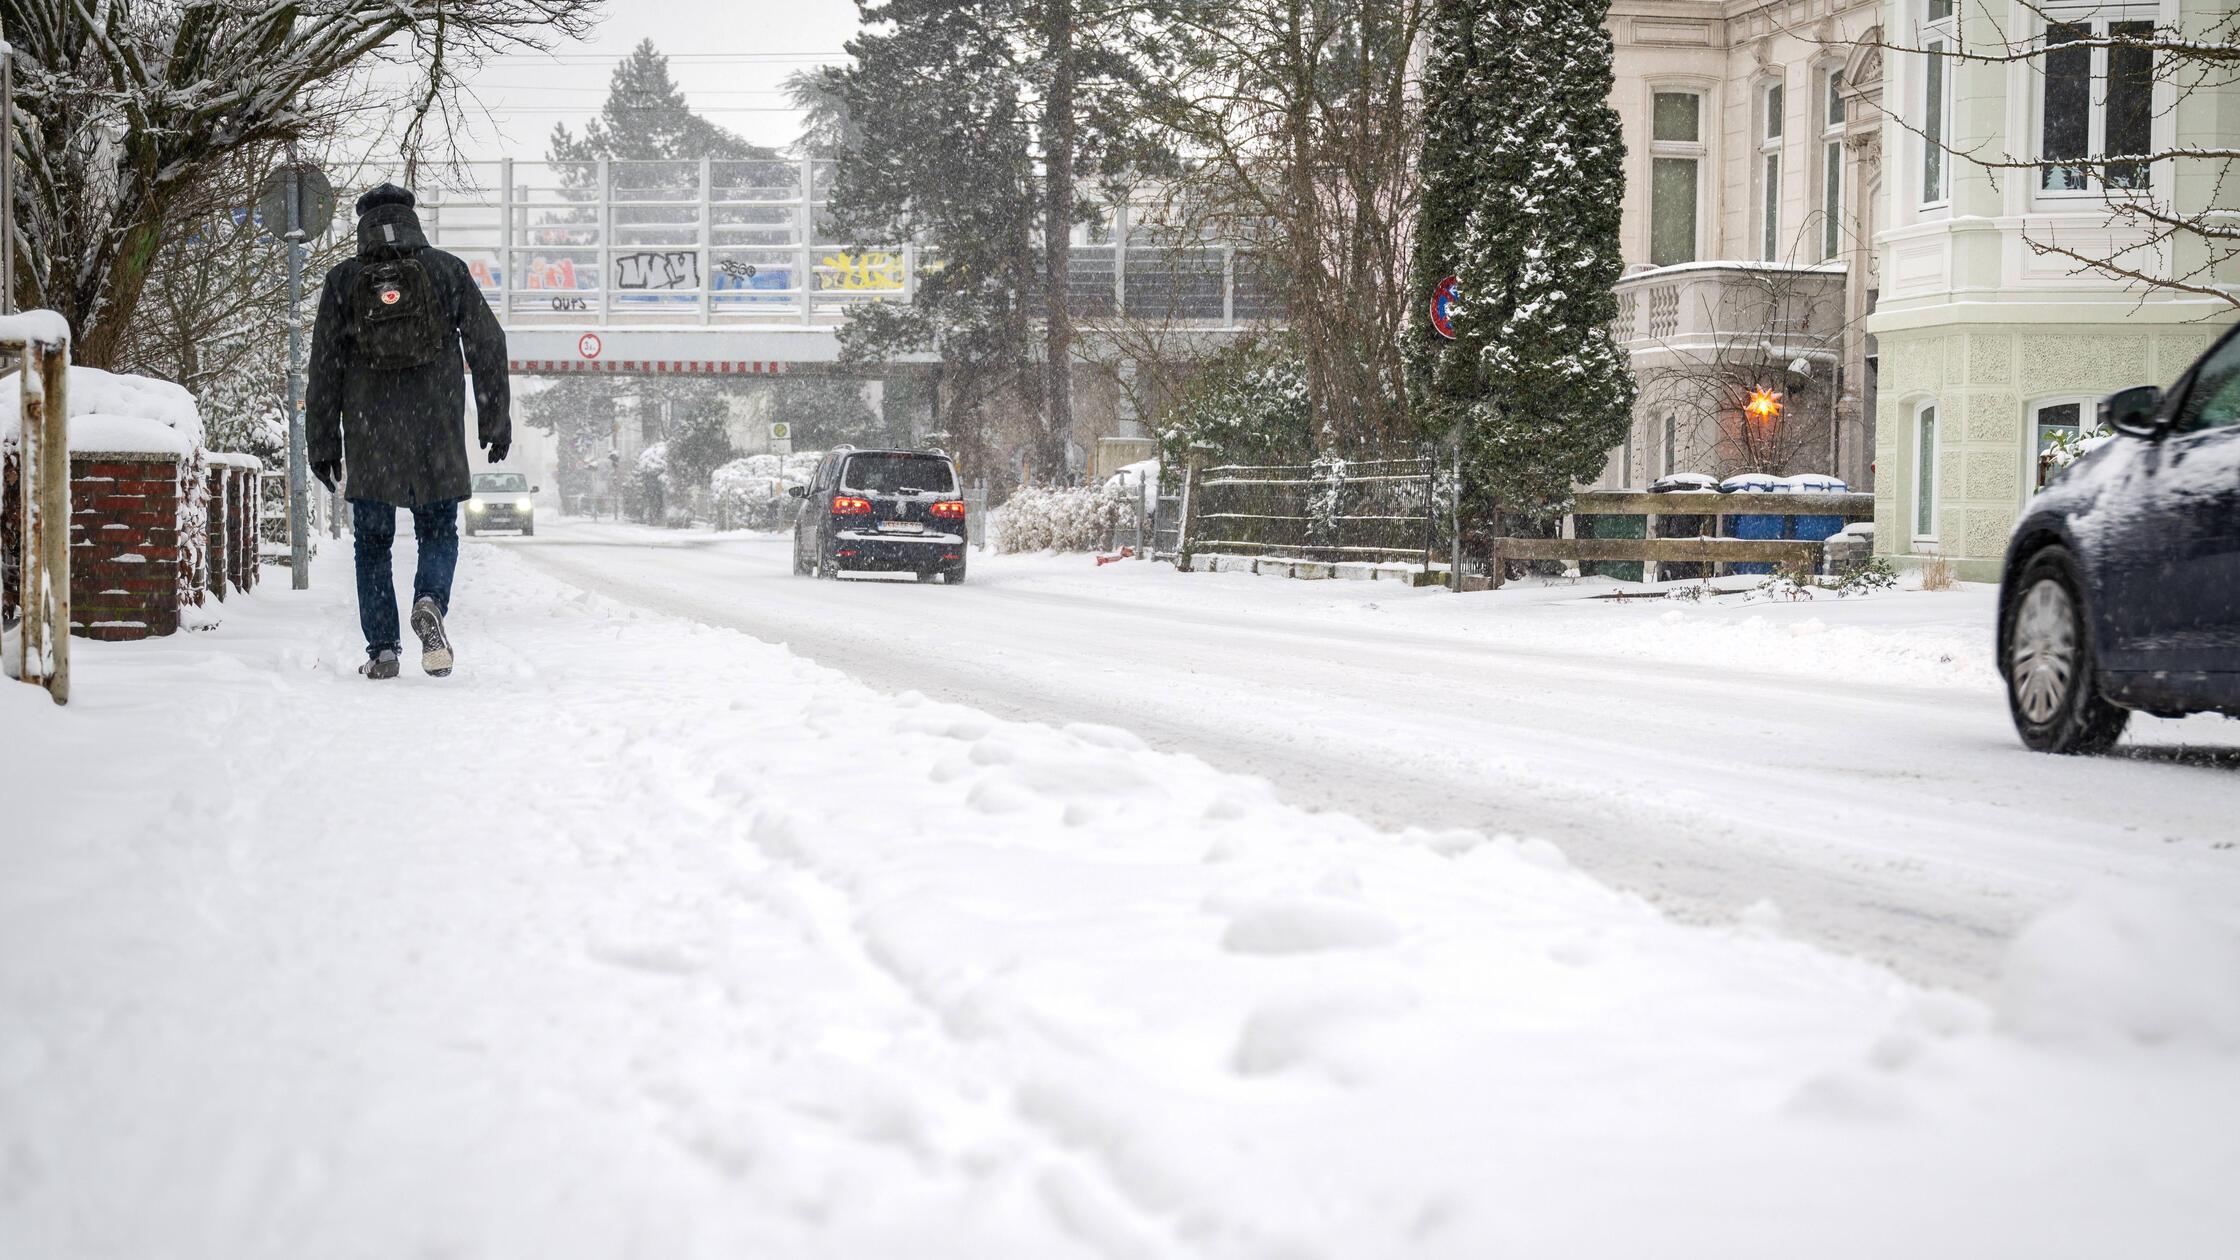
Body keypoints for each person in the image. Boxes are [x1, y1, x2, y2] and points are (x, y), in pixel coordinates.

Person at [306, 184, 511, 680]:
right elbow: (488, 341)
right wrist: (494, 419)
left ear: (363, 223)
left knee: (372, 544)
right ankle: (429, 600)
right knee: (438, 531)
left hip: (371, 434)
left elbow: (324, 367)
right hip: (435, 432)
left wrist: (324, 443)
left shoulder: (343, 280)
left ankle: (382, 650)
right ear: (413, 218)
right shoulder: (446, 271)